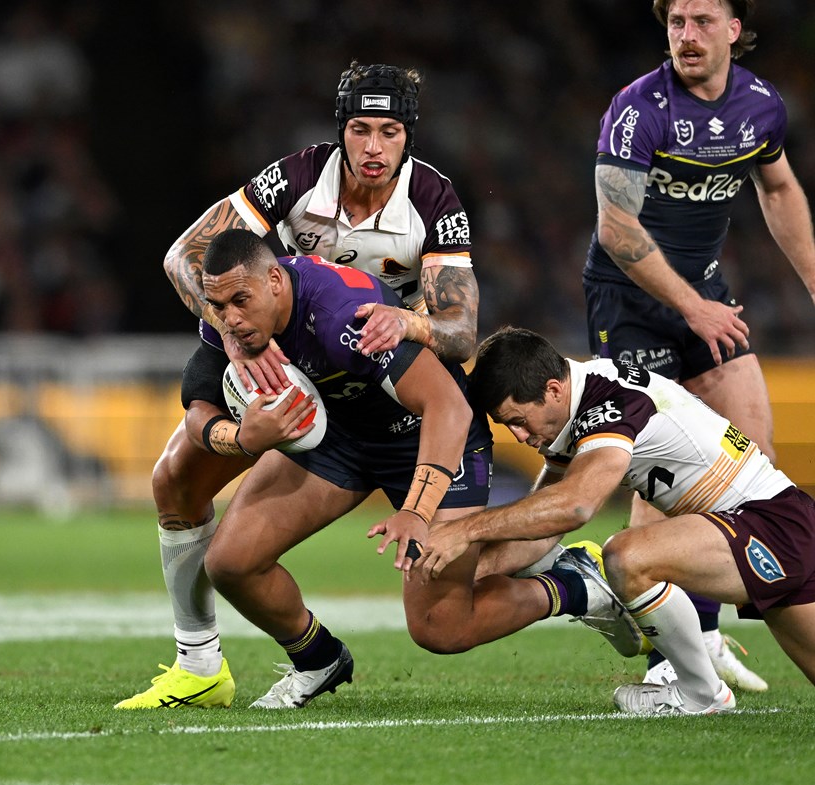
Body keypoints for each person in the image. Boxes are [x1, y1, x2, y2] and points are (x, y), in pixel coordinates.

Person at [126, 231, 640, 710]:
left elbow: (450, 408)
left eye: (241, 302)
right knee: (231, 562)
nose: (231, 319)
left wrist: (417, 511)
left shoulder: (339, 317)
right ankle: (318, 659)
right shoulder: (228, 315)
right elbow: (197, 403)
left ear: (276, 281)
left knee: (441, 627)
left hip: (429, 434)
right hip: (345, 435)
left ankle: (576, 586)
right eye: (218, 306)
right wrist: (240, 438)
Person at [116, 61, 480, 708]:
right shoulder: (295, 177)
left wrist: (413, 321)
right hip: (306, 377)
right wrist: (232, 333)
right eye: (360, 130)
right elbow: (186, 257)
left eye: (389, 132)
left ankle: (579, 581)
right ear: (341, 130)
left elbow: (460, 332)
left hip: (396, 384)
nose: (373, 147)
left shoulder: (432, 201)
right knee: (174, 478)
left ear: (408, 137)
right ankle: (200, 665)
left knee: (442, 622)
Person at [582, 0, 815, 691]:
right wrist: (693, 308)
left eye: (702, 21)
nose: (686, 35)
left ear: (735, 29)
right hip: (629, 304)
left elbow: (778, 187)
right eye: (676, 21)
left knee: (753, 463)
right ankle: (665, 661)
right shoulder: (638, 110)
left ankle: (704, 632)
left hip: (704, 297)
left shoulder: (762, 107)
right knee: (662, 468)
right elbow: (617, 230)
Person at [417, 326, 815, 714]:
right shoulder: (579, 407)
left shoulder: (608, 403)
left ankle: (702, 693)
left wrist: (464, 530)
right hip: (765, 526)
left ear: (553, 390)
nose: (519, 436)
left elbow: (575, 506)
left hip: (768, 525)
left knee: (627, 556)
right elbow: (543, 525)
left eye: (518, 420)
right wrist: (469, 572)